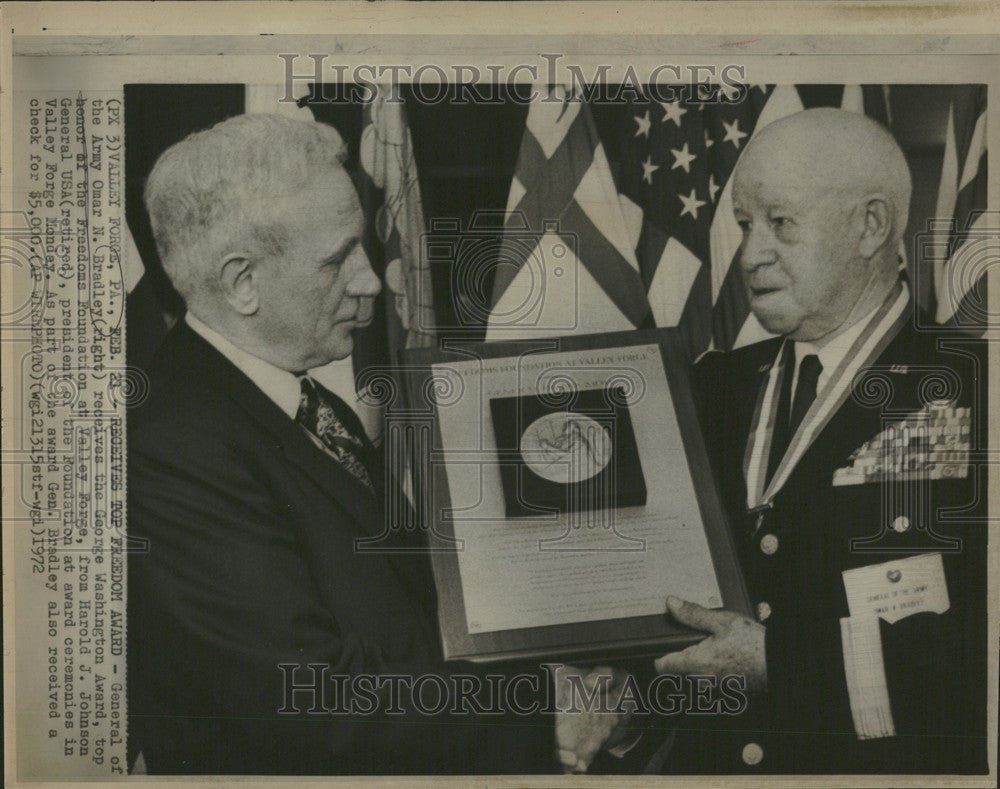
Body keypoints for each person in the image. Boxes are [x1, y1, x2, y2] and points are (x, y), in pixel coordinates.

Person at [126, 113, 630, 775]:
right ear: (242, 282)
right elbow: (309, 704)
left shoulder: (296, 399)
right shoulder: (172, 447)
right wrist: (546, 707)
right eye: (337, 259)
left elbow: (406, 616)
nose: (370, 279)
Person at [655, 108, 987, 774]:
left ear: (870, 226)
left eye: (781, 223)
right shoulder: (710, 389)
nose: (750, 254)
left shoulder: (975, 392)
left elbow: (979, 663)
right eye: (746, 225)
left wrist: (786, 665)